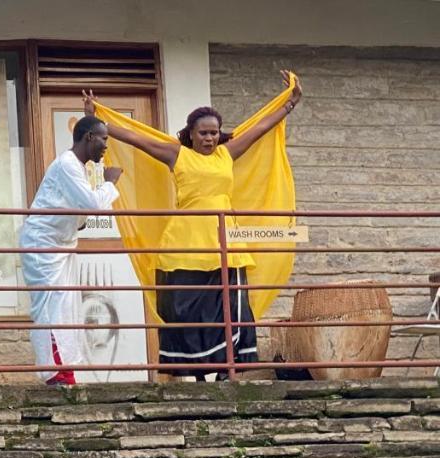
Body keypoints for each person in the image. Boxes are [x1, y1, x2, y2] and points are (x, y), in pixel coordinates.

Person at [85, 70, 302, 381]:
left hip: (225, 241)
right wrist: (98, 122)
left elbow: (260, 128)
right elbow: (138, 138)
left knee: (233, 306)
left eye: (214, 132)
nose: (210, 138)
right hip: (185, 243)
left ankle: (228, 370)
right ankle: (197, 371)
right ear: (191, 133)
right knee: (186, 311)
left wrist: (289, 104)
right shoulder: (177, 155)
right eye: (203, 133)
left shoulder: (227, 154)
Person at [19, 116, 122, 386]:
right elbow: (91, 204)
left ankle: (64, 372)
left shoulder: (77, 166)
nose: (105, 146)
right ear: (89, 137)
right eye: (103, 139)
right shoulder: (67, 164)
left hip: (61, 244)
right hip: (43, 245)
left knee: (66, 308)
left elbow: (79, 212)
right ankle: (56, 373)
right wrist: (110, 183)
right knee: (52, 308)